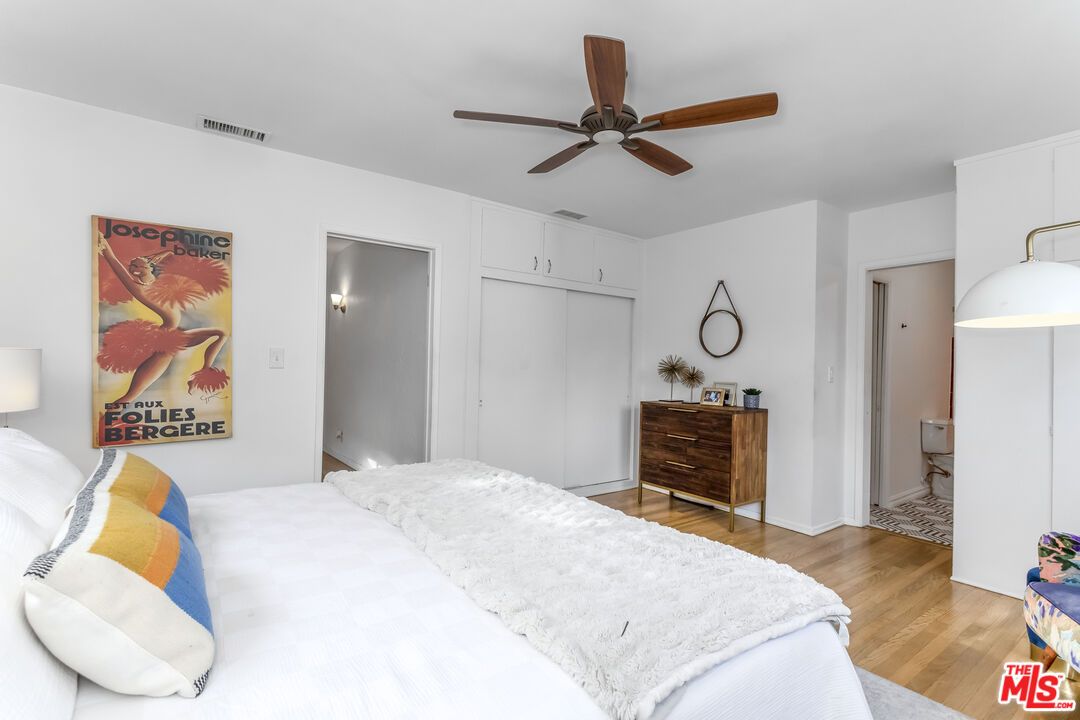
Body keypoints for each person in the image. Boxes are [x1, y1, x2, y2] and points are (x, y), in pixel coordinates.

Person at [96, 232, 229, 403]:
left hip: (173, 332)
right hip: (166, 337)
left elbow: (169, 254)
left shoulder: (154, 284)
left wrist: (152, 259)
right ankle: (113, 413)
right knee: (130, 396)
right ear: (139, 269)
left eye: (144, 259)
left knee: (222, 333)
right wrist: (106, 247)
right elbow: (115, 263)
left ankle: (202, 372)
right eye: (139, 261)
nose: (143, 259)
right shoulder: (138, 287)